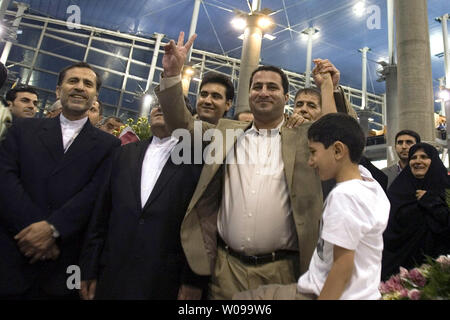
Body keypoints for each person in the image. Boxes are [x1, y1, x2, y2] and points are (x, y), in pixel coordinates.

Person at [155, 32, 354, 300]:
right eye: (257, 87)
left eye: (272, 88)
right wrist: (172, 74)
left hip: (285, 271)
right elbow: (182, 126)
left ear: (286, 97)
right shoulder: (224, 133)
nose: (263, 92)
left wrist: (330, 88)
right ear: (248, 94)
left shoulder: (306, 138)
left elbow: (342, 135)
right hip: (225, 270)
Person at [235, 113, 390, 300]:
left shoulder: (345, 197)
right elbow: (344, 129)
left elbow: (342, 267)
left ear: (338, 151)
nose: (310, 161)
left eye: (313, 152)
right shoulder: (369, 183)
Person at [0, 62, 120, 299]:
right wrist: (36, 231)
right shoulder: (23, 129)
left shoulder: (109, 146)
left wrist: (53, 229)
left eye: (88, 84)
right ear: (58, 90)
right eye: (72, 81)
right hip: (14, 248)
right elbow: (5, 178)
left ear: (95, 95)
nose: (79, 87)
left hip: (62, 261)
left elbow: (94, 193)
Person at [79, 104, 204, 300]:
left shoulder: (197, 162)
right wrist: (88, 268)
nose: (160, 108)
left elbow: (200, 225)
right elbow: (101, 214)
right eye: (156, 105)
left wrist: (192, 280)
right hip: (111, 273)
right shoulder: (123, 153)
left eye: (167, 104)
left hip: (163, 280)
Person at [381, 142, 450, 281]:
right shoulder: (397, 191)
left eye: (424, 157)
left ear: (433, 160)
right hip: (402, 267)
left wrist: (432, 201)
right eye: (414, 157)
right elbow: (388, 229)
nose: (418, 161)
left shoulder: (446, 189)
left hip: (440, 271)